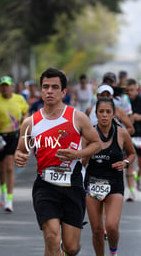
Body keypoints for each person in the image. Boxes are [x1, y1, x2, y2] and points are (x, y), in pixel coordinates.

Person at [15, 68, 101, 256]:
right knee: (52, 237)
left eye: (55, 87)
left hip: (73, 185)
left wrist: (77, 154)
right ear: (40, 90)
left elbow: (97, 144)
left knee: (71, 247)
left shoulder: (76, 118)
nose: (49, 91)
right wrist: (19, 157)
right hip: (45, 187)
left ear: (63, 92)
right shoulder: (30, 122)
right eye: (45, 87)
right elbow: (21, 151)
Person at [83, 98, 135, 256]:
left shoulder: (122, 133)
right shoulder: (88, 134)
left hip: (114, 184)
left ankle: (113, 252)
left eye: (108, 112)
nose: (104, 115)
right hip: (93, 183)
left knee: (111, 226)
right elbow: (81, 162)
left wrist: (125, 162)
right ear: (96, 114)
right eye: (101, 112)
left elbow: (132, 153)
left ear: (114, 114)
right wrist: (86, 154)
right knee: (97, 230)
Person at [0, 75, 29, 212]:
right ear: (0, 87)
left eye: (7, 85)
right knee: (1, 167)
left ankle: (9, 199)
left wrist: (24, 121)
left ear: (12, 87)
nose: (5, 88)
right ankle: (3, 190)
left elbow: (26, 112)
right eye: (3, 86)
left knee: (10, 166)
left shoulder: (19, 99)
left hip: (13, 136)